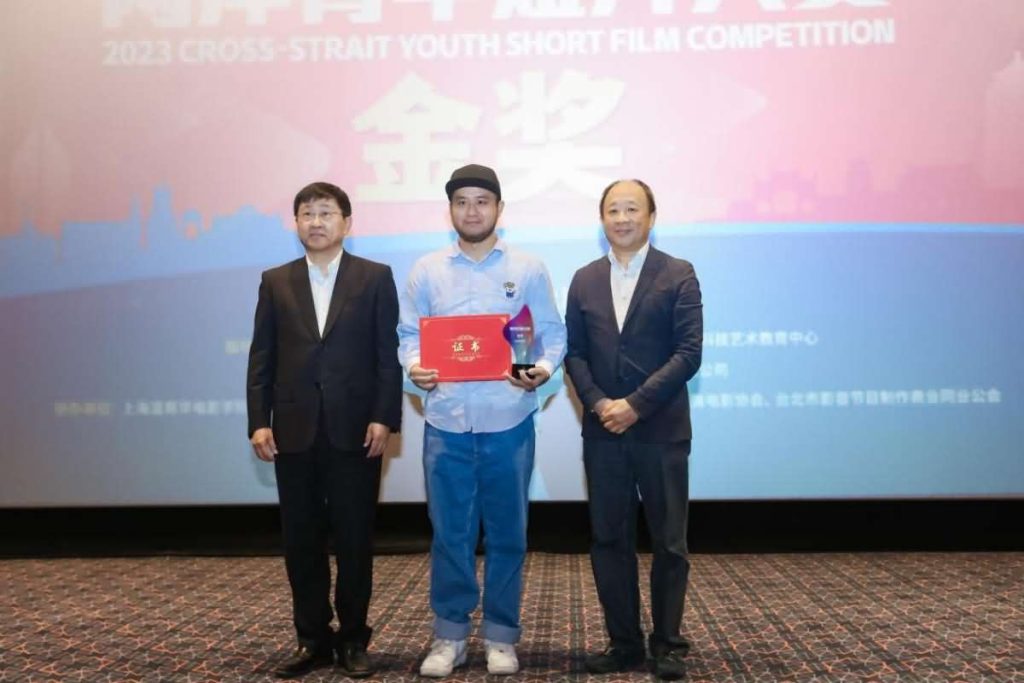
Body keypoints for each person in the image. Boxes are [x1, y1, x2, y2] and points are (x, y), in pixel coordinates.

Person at [398, 164, 567, 677]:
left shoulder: (528, 268)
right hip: (446, 421)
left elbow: (552, 334)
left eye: (482, 201)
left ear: (499, 208)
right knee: (449, 534)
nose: (472, 211)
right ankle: (449, 636)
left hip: (508, 419)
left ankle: (501, 636)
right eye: (462, 202)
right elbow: (408, 336)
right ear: (450, 210)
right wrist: (414, 366)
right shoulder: (426, 270)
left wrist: (541, 370)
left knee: (507, 533)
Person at [246, 181, 402, 679]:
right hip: (293, 429)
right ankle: (311, 638)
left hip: (356, 429)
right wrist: (258, 420)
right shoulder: (276, 281)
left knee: (355, 539)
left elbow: (387, 356)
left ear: (346, 222)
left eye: (326, 213)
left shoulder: (375, 277)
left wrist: (384, 416)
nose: (316, 222)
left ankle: (353, 638)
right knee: (302, 541)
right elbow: (262, 357)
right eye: (307, 213)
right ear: (296, 223)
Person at [564, 179, 703, 680]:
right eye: (613, 210)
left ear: (651, 216)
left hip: (661, 430)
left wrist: (636, 406)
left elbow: (688, 353)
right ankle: (623, 643)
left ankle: (667, 644)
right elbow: (574, 353)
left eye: (632, 209)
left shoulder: (678, 273)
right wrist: (601, 403)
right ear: (602, 218)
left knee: (669, 542)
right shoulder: (584, 279)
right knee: (609, 540)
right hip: (603, 431)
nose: (622, 219)